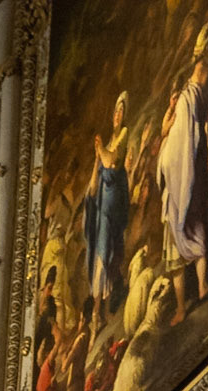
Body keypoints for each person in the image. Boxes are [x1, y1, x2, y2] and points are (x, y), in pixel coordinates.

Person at [158, 38, 208, 323]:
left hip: (189, 170)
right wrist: (171, 111)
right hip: (173, 179)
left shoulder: (198, 95)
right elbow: (165, 132)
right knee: (176, 241)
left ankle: (203, 286)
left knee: (194, 225)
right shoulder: (182, 100)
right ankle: (181, 306)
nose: (199, 66)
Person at [85, 93, 134, 317]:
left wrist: (101, 152)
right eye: (116, 111)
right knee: (100, 255)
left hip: (113, 207)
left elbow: (111, 160)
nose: (117, 115)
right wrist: (97, 157)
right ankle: (99, 311)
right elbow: (93, 186)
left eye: (121, 111)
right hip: (102, 209)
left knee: (107, 253)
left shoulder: (123, 134)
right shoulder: (107, 144)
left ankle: (101, 310)